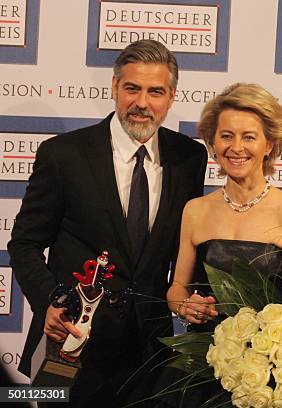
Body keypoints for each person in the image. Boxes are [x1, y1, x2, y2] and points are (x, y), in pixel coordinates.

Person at [8, 39, 206, 407]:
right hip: (69, 344)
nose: (142, 103)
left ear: (172, 96)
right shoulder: (63, 155)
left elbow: (189, 243)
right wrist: (51, 300)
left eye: (155, 91)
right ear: (115, 87)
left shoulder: (189, 157)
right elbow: (24, 244)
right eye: (132, 88)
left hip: (149, 357)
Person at [164, 82, 282, 404]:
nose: (237, 147)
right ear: (212, 142)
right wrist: (186, 306)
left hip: (268, 382)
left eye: (249, 137)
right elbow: (176, 288)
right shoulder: (195, 210)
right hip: (204, 368)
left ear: (270, 144)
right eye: (226, 136)